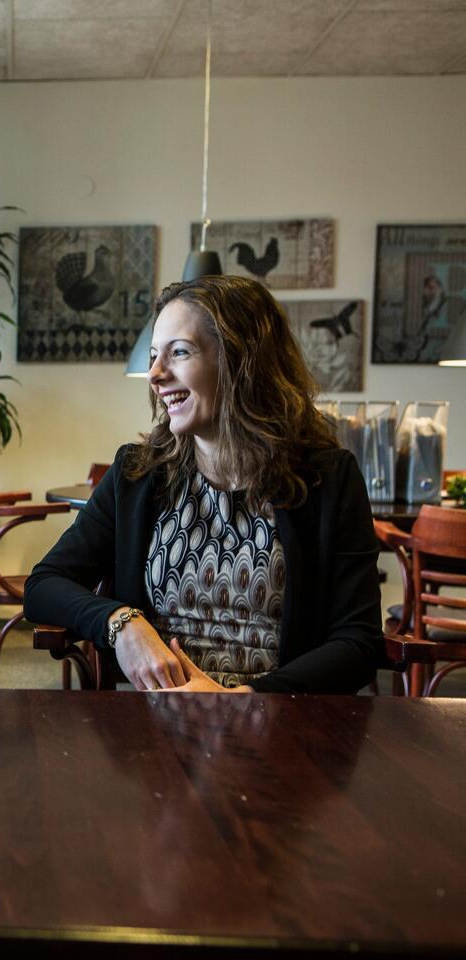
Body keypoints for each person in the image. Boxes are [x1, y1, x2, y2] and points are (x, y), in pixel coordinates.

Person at [24, 275, 382, 694]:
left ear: (240, 359)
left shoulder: (329, 478)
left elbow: (358, 644)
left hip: (279, 724)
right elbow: (43, 585)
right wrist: (122, 622)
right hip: (153, 726)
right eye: (155, 356)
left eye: (179, 352)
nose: (155, 374)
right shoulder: (137, 472)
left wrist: (243, 701)